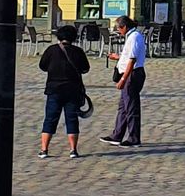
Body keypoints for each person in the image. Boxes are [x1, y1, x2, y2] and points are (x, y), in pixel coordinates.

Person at [38, 24, 91, 159]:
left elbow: (42, 66)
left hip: (54, 89)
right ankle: (73, 150)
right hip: (73, 90)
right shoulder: (78, 51)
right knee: (72, 119)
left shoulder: (51, 50)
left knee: (50, 119)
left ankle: (44, 150)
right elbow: (85, 69)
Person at [101, 15, 147, 147]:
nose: (118, 31)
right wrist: (119, 57)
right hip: (129, 73)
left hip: (132, 75)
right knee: (123, 107)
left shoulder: (134, 37)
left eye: (118, 28)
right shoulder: (131, 37)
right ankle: (117, 135)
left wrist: (123, 79)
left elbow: (132, 60)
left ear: (125, 27)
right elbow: (128, 56)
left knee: (131, 107)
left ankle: (134, 138)